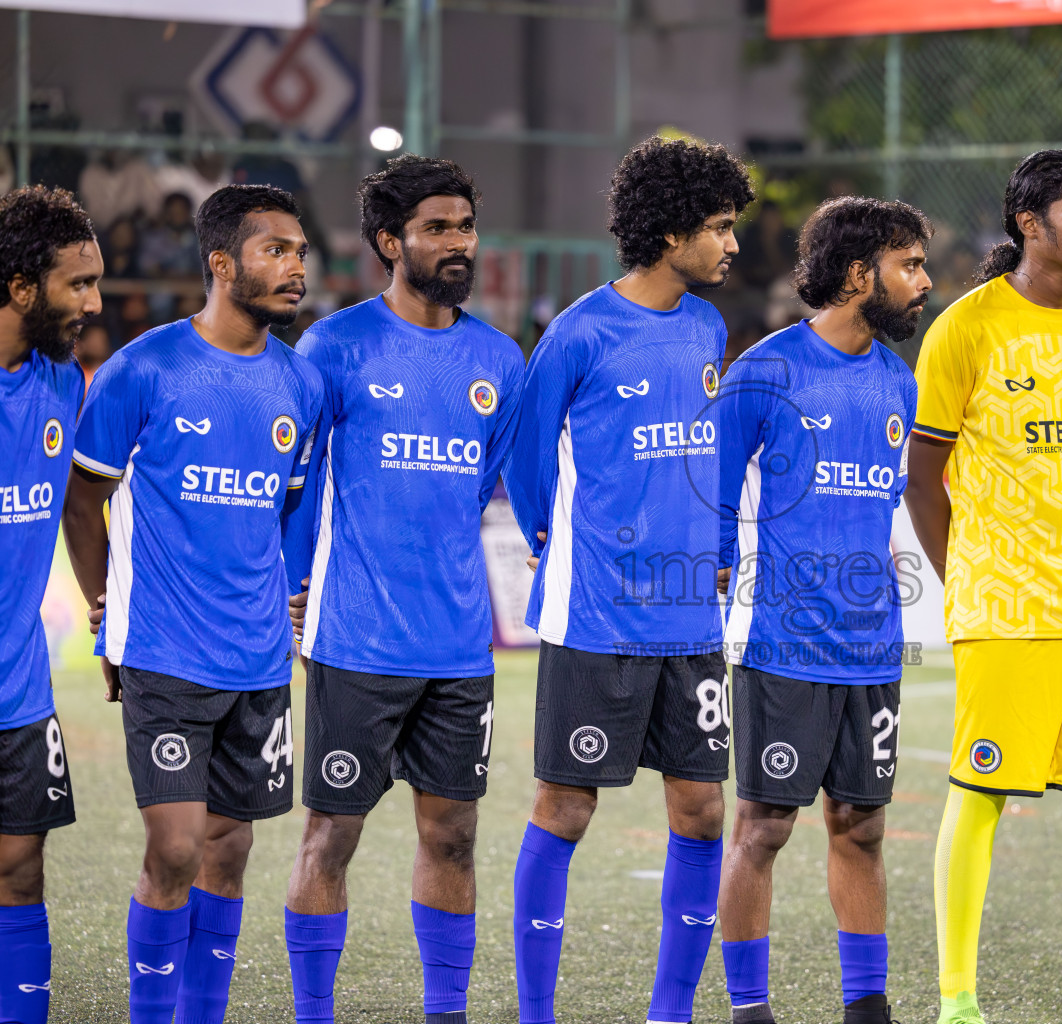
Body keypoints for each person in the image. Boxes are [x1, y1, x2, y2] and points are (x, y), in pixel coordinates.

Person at [904, 150, 1062, 1024]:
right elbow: (920, 475)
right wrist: (965, 581)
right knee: (980, 796)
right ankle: (959, 1002)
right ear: (1029, 223)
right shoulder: (966, 328)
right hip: (1004, 607)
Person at [502, 135, 754, 1024]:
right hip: (598, 619)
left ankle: (670, 1013)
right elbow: (528, 465)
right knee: (565, 808)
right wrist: (552, 544)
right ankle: (537, 1013)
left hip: (690, 622)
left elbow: (709, 457)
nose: (732, 246)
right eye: (720, 228)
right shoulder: (578, 332)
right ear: (671, 229)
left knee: (701, 812)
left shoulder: (706, 326)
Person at [61, 185, 323, 1024]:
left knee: (231, 847)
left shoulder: (300, 385)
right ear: (221, 263)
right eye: (274, 251)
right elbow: (82, 498)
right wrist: (105, 612)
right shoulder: (143, 367)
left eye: (300, 252)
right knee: (174, 850)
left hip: (256, 658)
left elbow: (286, 509)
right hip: (165, 653)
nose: (295, 268)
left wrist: (282, 597)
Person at [281, 155, 525, 1024]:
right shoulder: (333, 348)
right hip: (357, 645)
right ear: (391, 241)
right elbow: (298, 485)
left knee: (453, 836)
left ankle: (444, 1013)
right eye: (437, 228)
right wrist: (291, 588)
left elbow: (492, 486)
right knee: (330, 836)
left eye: (464, 226)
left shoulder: (499, 358)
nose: (458, 242)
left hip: (459, 652)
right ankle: (315, 1012)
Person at [715, 196, 930, 1024]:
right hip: (783, 652)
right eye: (908, 265)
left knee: (863, 827)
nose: (922, 283)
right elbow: (716, 492)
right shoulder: (765, 372)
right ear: (854, 272)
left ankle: (866, 1008)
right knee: (764, 829)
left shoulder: (897, 380)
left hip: (874, 651)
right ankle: (750, 1010)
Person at [0, 184, 101, 1024]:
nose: (94, 302)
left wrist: (105, 615)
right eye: (78, 283)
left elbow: (77, 506)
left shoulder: (62, 383)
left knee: (20, 869)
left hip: (20, 688)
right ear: (22, 287)